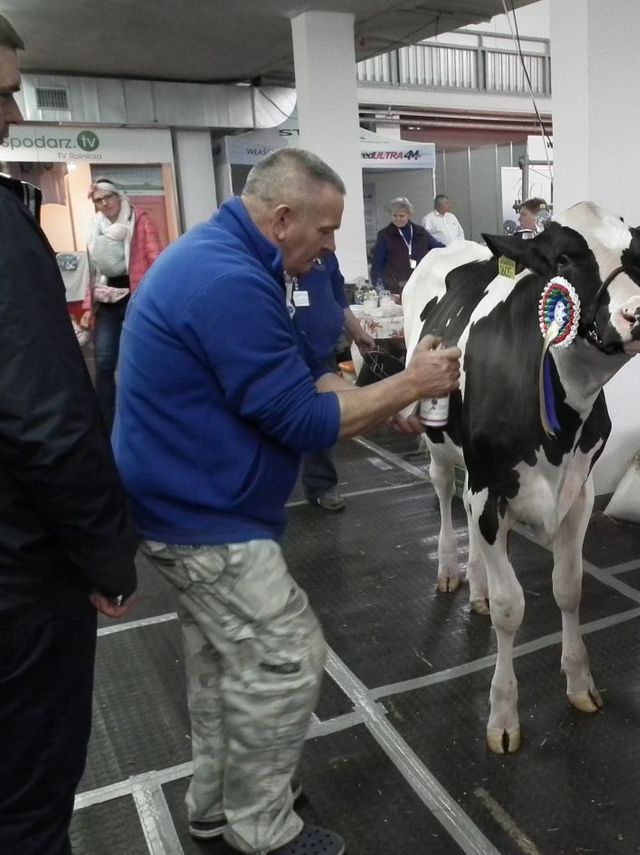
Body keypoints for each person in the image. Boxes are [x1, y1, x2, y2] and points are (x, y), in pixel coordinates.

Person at [113, 148, 460, 855]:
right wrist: (411, 385)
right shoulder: (227, 281)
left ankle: (217, 805)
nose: (332, 247)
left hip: (191, 502)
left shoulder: (238, 261)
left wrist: (380, 396)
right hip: (203, 516)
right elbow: (300, 420)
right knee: (285, 656)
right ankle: (263, 829)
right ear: (281, 219)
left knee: (224, 664)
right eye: (325, 231)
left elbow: (306, 378)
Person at [0, 14, 139, 855]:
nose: (13, 115)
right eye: (0, 94)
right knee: (27, 804)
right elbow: (45, 420)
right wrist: (107, 553)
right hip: (18, 581)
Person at [293, 250, 375, 512]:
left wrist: (358, 332)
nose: (331, 242)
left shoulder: (327, 258)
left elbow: (339, 298)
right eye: (325, 232)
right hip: (287, 353)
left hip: (321, 352)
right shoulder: (285, 258)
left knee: (322, 420)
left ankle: (321, 485)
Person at [79, 177, 163, 428]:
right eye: (98, 200)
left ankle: (147, 414)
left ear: (118, 196)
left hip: (137, 299)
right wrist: (87, 307)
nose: (104, 203)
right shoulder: (95, 227)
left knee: (140, 359)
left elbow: (156, 258)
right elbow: (92, 270)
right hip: (106, 301)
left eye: (108, 197)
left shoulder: (139, 220)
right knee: (104, 362)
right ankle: (106, 423)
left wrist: (158, 298)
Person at [369, 196, 442, 297]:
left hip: (420, 285)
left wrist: (455, 249)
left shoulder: (420, 232)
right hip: (395, 288)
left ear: (409, 215)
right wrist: (380, 289)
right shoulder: (385, 235)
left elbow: (438, 247)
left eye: (401, 216)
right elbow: (377, 265)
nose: (397, 219)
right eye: (394, 215)